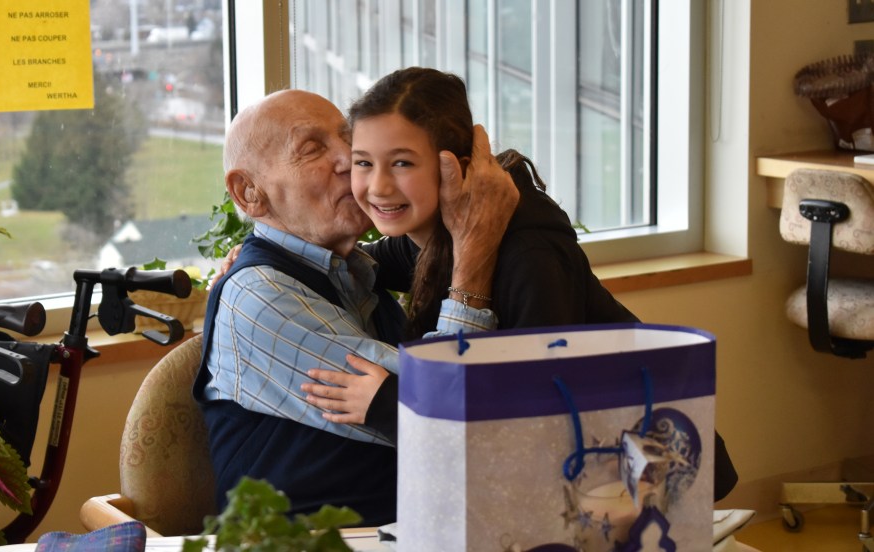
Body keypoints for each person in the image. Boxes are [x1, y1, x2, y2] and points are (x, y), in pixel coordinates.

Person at [300, 66, 738, 501]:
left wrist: (386, 403)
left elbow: (534, 414)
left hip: (643, 475)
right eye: (363, 163)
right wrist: (267, 247)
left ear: (455, 166)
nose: (378, 186)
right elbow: (363, 263)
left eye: (402, 163)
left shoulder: (529, 253)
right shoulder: (429, 234)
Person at [193, 87, 519, 526]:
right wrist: (475, 248)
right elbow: (452, 407)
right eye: (312, 149)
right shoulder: (258, 297)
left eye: (348, 139)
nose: (348, 160)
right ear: (249, 192)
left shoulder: (350, 269)